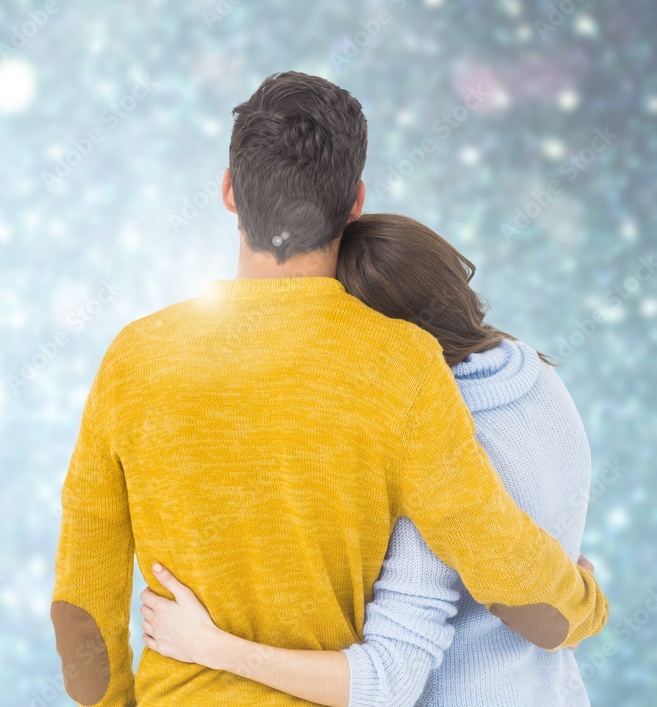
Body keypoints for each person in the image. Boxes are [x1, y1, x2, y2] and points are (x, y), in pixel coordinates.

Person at [51, 72, 607, 706]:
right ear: (354, 203)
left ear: (230, 192)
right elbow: (495, 557)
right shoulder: (403, 363)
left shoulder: (133, 358)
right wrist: (585, 606)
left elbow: (82, 602)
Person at [139, 214, 596, 706]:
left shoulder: (439, 456)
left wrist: (213, 647)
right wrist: (579, 597)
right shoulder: (526, 370)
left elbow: (386, 683)